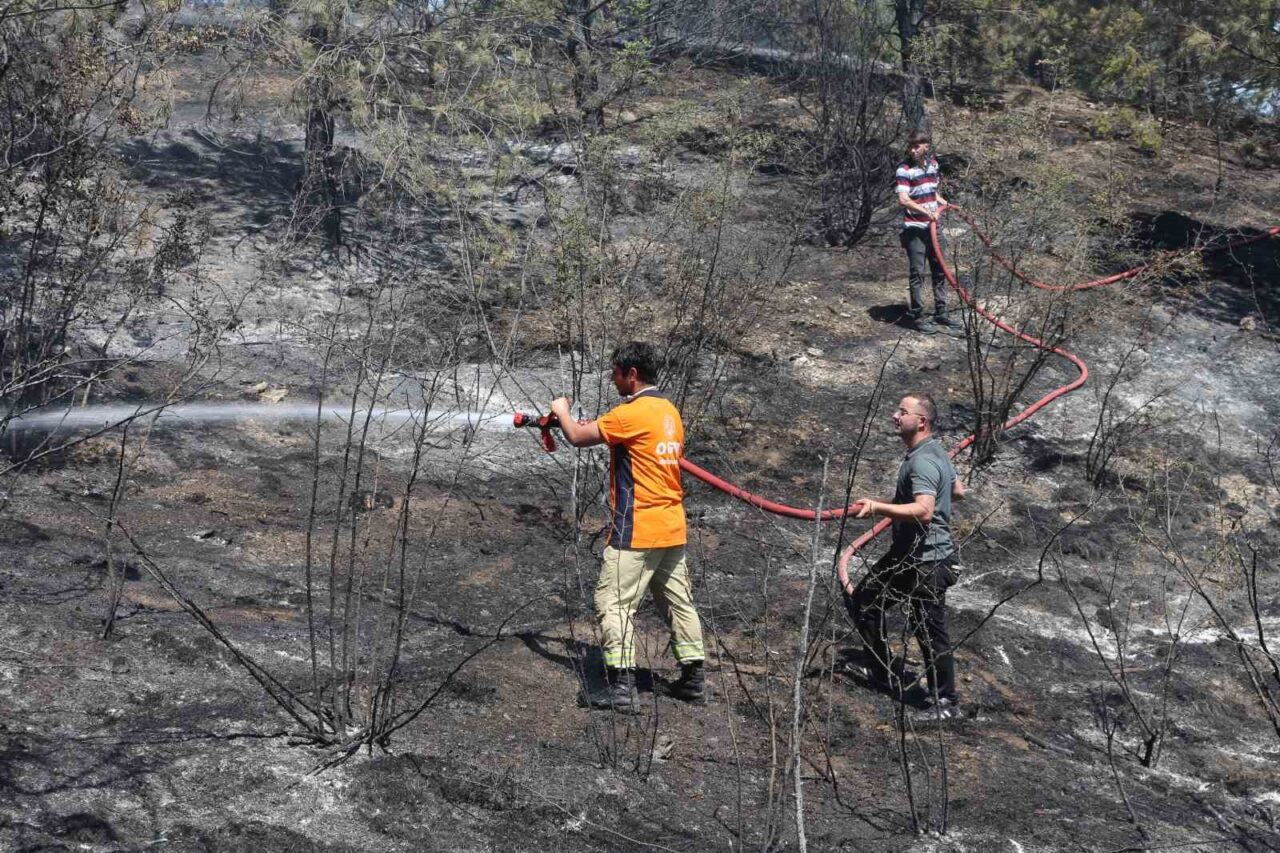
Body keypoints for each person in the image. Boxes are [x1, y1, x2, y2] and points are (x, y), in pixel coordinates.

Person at [550, 342, 706, 710]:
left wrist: (562, 412)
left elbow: (576, 438)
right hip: (672, 527)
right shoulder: (668, 411)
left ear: (632, 375)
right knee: (678, 601)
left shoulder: (631, 412)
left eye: (616, 371)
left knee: (614, 603)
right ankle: (693, 680)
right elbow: (632, 442)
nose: (612, 377)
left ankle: (619, 686)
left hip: (637, 529)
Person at [846, 393, 967, 718]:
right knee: (866, 601)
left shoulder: (923, 460)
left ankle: (946, 703)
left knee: (928, 628)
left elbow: (925, 511)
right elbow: (958, 491)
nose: (894, 416)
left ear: (921, 421)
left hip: (928, 561)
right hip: (911, 557)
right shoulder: (934, 452)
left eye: (902, 412)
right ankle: (884, 675)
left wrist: (877, 507)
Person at [895, 131, 957, 333]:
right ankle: (918, 316)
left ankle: (941, 312)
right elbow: (904, 200)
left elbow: (932, 191)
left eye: (916, 146)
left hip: (934, 228)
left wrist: (944, 203)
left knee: (940, 270)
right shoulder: (904, 170)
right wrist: (926, 212)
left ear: (926, 146)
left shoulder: (933, 165)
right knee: (917, 273)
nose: (912, 150)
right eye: (910, 147)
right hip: (915, 229)